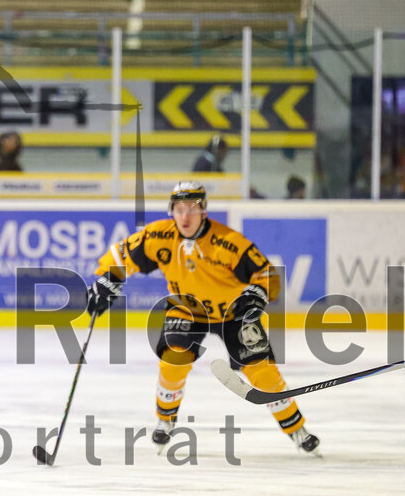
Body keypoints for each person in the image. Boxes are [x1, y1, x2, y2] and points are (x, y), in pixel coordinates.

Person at [86, 181, 321, 455]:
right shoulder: (158, 236)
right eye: (179, 209)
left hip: (233, 313)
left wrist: (258, 293)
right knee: (174, 359)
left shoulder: (229, 243)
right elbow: (122, 254)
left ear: (205, 211)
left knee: (263, 373)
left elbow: (267, 274)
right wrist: (108, 279)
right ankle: (165, 419)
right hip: (186, 309)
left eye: (192, 209)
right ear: (172, 211)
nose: (185, 216)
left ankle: (297, 430)